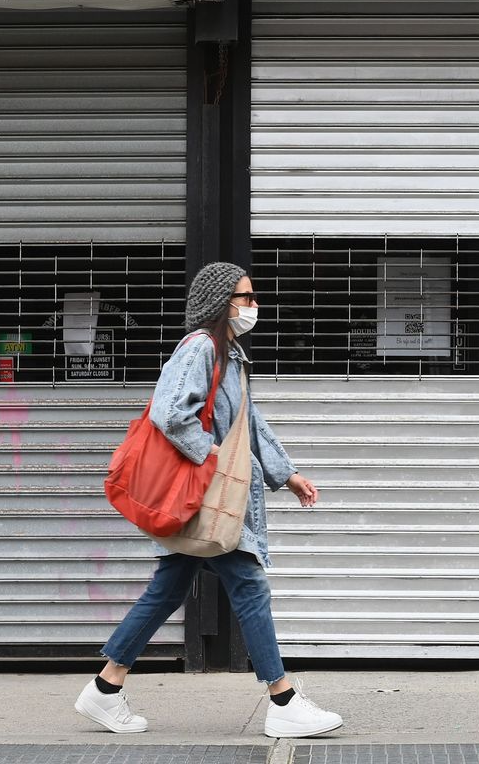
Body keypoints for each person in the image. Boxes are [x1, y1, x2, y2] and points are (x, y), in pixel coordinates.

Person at [75, 261, 344, 739]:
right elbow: (169, 412)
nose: (252, 305)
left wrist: (288, 474)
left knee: (168, 590)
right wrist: (216, 459)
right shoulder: (200, 347)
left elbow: (250, 423)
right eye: (245, 297)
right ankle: (282, 700)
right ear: (222, 304)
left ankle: (105, 688)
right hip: (210, 497)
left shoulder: (230, 353)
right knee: (249, 587)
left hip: (211, 497)